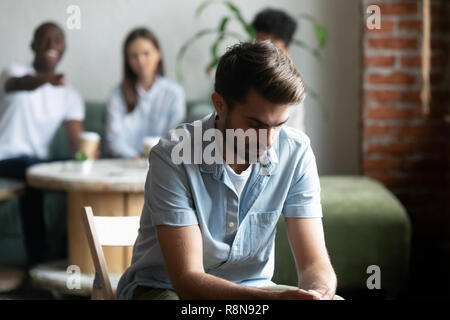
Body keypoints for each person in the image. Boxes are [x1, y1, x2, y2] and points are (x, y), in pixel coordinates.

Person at [117, 41, 338, 300]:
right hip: (165, 289)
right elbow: (188, 281)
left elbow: (314, 263)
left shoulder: (296, 153)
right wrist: (272, 301)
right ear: (219, 105)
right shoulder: (173, 156)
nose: (267, 141)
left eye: (279, 125)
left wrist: (319, 293)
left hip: (256, 289)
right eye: (255, 124)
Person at [0, 22, 85, 267]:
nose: (50, 45)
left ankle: (62, 258)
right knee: (34, 171)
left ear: (64, 47)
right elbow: (20, 84)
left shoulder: (69, 94)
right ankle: (39, 262)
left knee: (48, 174)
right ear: (33, 45)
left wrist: (86, 152)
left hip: (35, 167)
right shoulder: (13, 73)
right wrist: (48, 79)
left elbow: (76, 139)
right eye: (44, 39)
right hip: (4, 159)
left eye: (57, 39)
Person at [106, 28, 186, 159]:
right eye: (134, 56)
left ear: (158, 54)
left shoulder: (174, 93)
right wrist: (134, 157)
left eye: (146, 53)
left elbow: (175, 137)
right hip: (127, 163)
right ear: (127, 61)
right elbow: (114, 139)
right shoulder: (117, 94)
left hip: (163, 163)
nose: (141, 61)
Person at [251, 8, 305, 132]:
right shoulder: (243, 74)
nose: (264, 53)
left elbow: (296, 133)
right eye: (259, 45)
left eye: (271, 48)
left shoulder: (293, 86)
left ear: (286, 50)